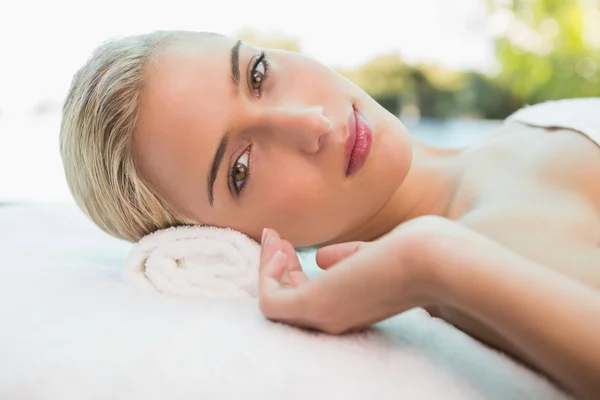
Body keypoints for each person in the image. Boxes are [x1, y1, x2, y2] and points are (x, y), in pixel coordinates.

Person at [59, 30, 600, 399]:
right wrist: (428, 262)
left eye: (258, 73)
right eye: (241, 169)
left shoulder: (516, 134)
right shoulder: (490, 252)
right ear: (222, 238)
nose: (310, 122)